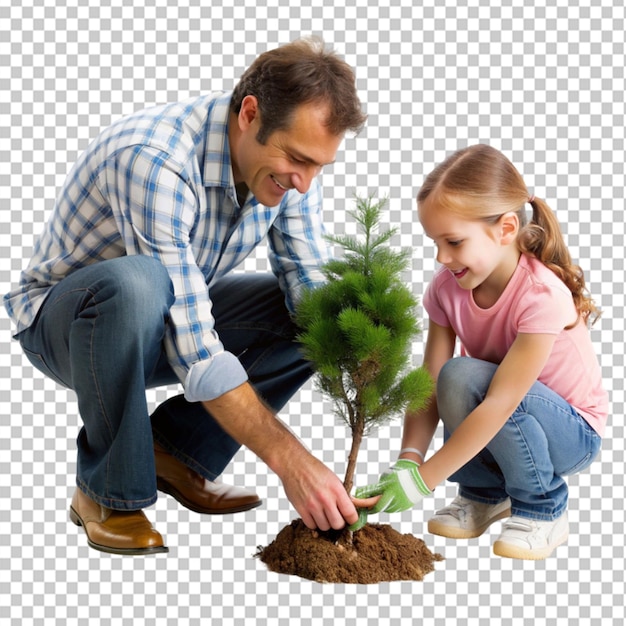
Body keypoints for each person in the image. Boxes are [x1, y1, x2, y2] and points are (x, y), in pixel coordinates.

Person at [4, 37, 368, 555]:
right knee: (139, 283)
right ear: (249, 114)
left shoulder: (286, 177)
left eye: (318, 167)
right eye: (296, 159)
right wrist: (293, 462)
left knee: (311, 321)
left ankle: (172, 452)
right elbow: (194, 344)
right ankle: (106, 493)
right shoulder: (155, 159)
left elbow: (308, 284)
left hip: (165, 316)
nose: (305, 184)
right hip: (68, 326)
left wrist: (365, 376)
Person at [350, 144, 608, 560]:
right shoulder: (447, 289)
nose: (440, 256)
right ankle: (484, 494)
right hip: (506, 421)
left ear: (506, 229)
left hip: (571, 434)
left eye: (453, 241)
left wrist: (424, 480)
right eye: (435, 242)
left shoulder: (539, 295)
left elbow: (503, 401)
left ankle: (543, 508)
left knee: (468, 377)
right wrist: (408, 461)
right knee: (454, 376)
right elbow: (430, 382)